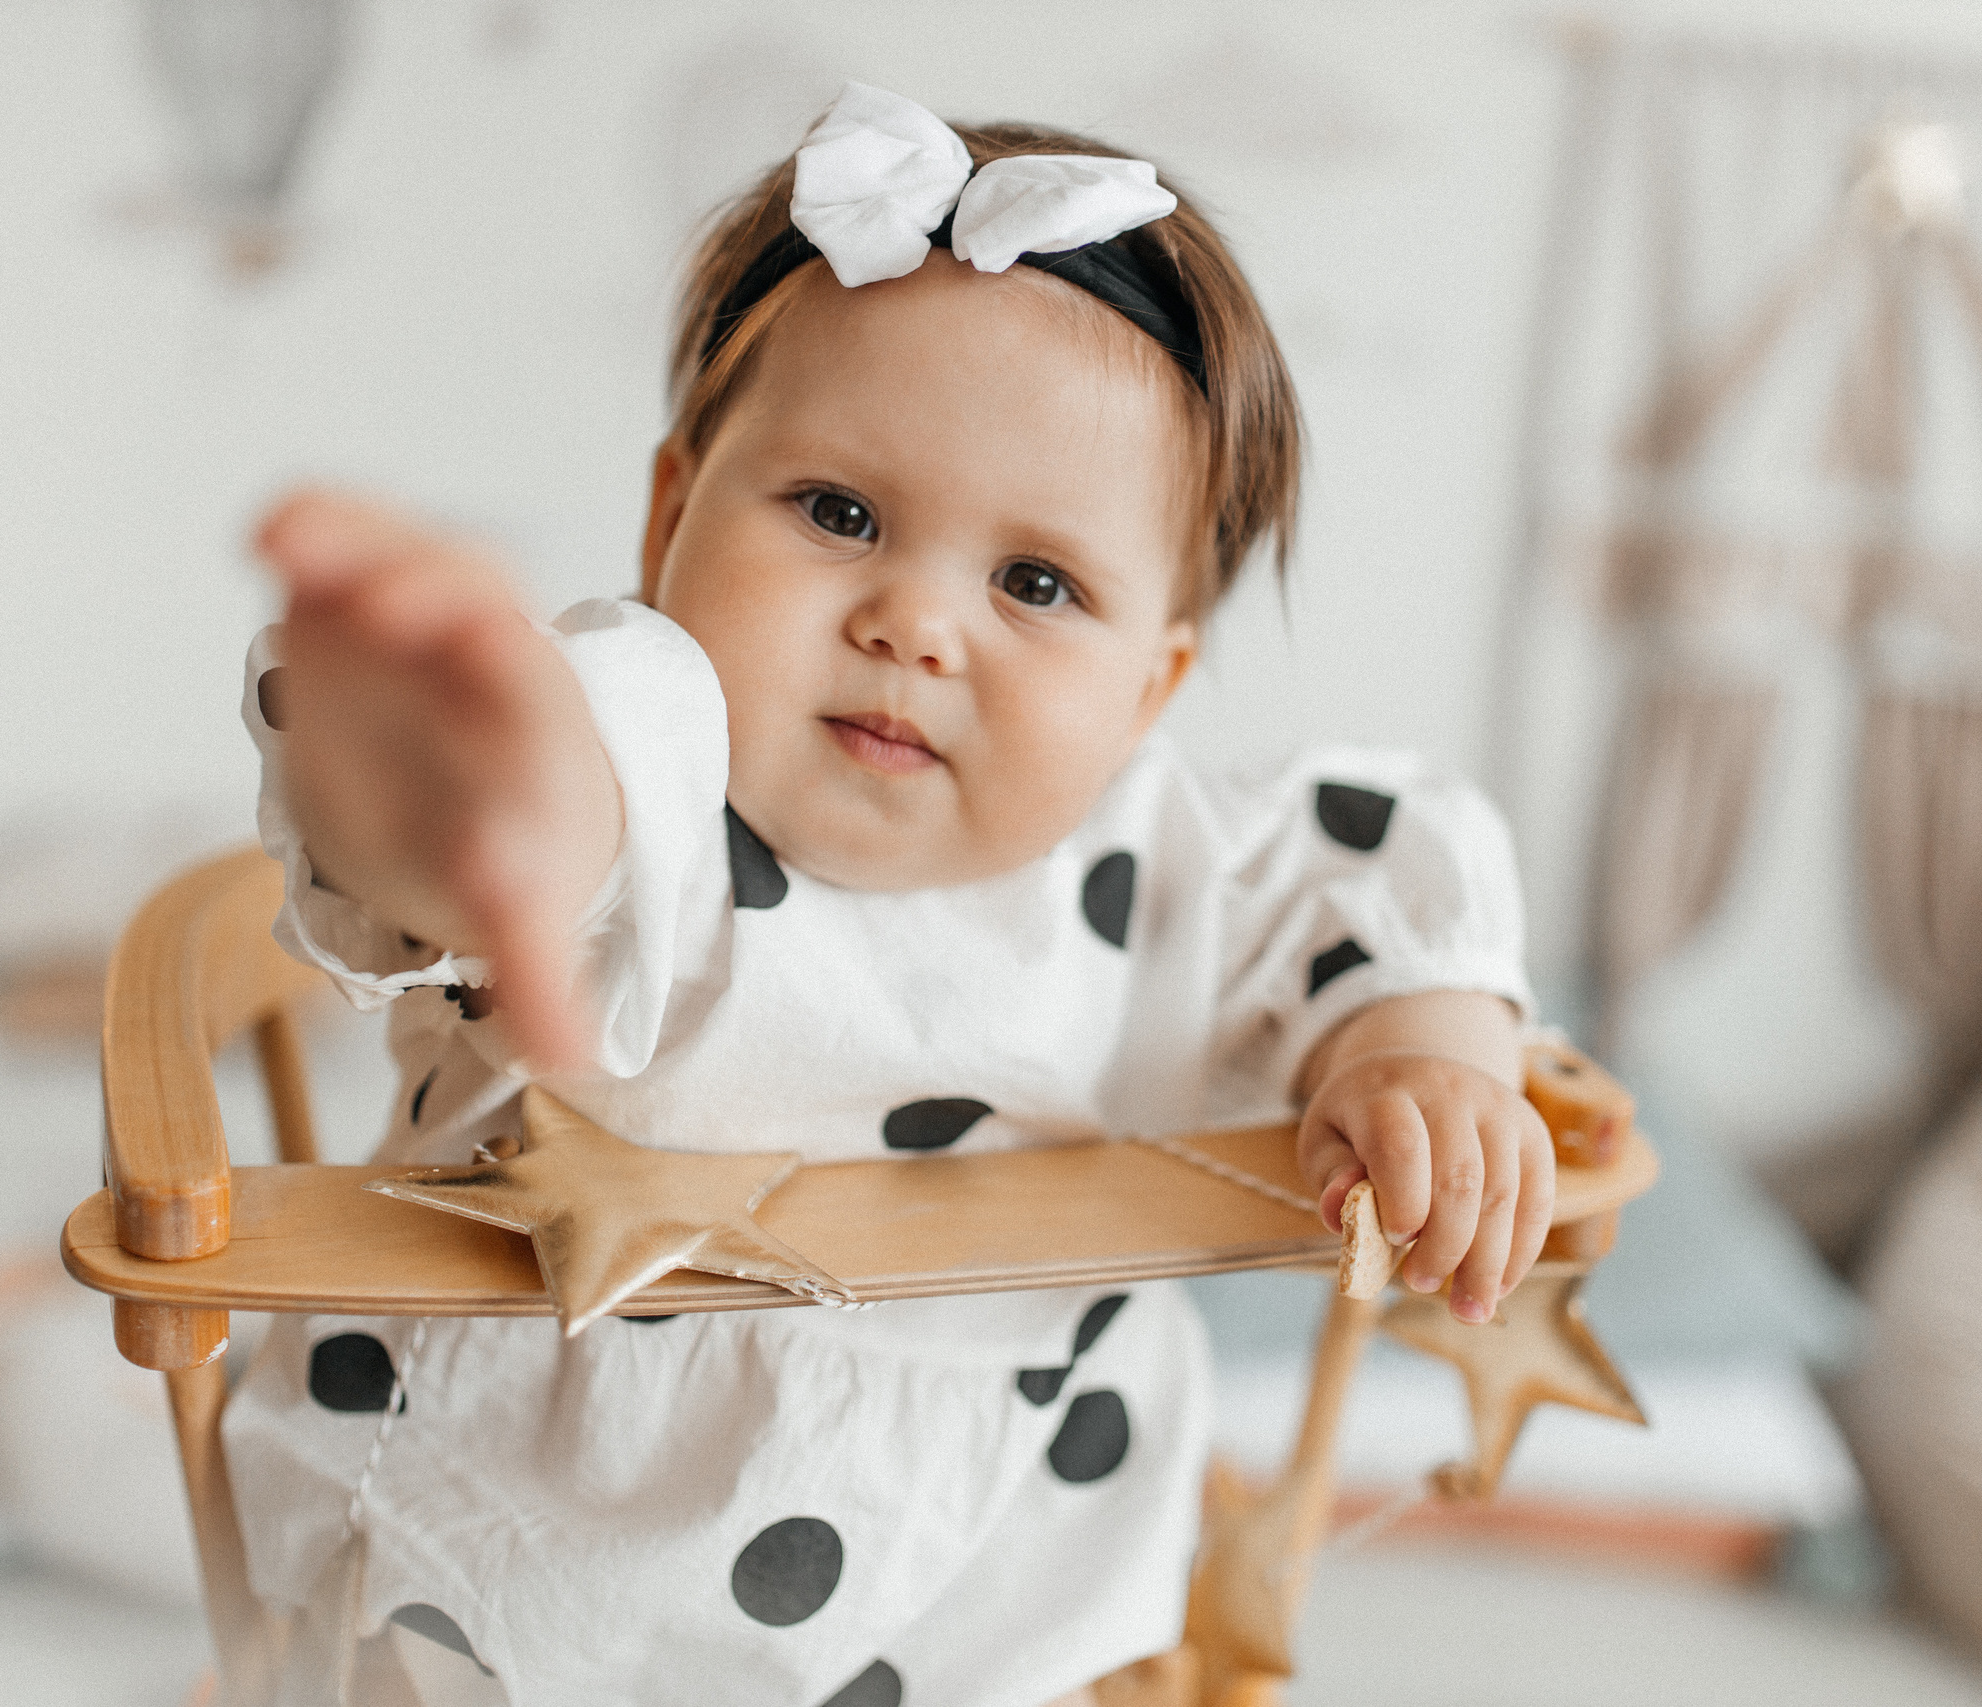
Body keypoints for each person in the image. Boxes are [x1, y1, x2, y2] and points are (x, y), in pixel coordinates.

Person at [223, 83, 1554, 1707]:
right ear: (669, 519)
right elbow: (556, 814)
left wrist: (1419, 1053)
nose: (917, 624)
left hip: (1009, 1599)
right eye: (838, 513)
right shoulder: (659, 746)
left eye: (1037, 583)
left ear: (1153, 686)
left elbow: (1384, 858)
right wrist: (456, 792)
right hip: (518, 1584)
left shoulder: (1176, 852)